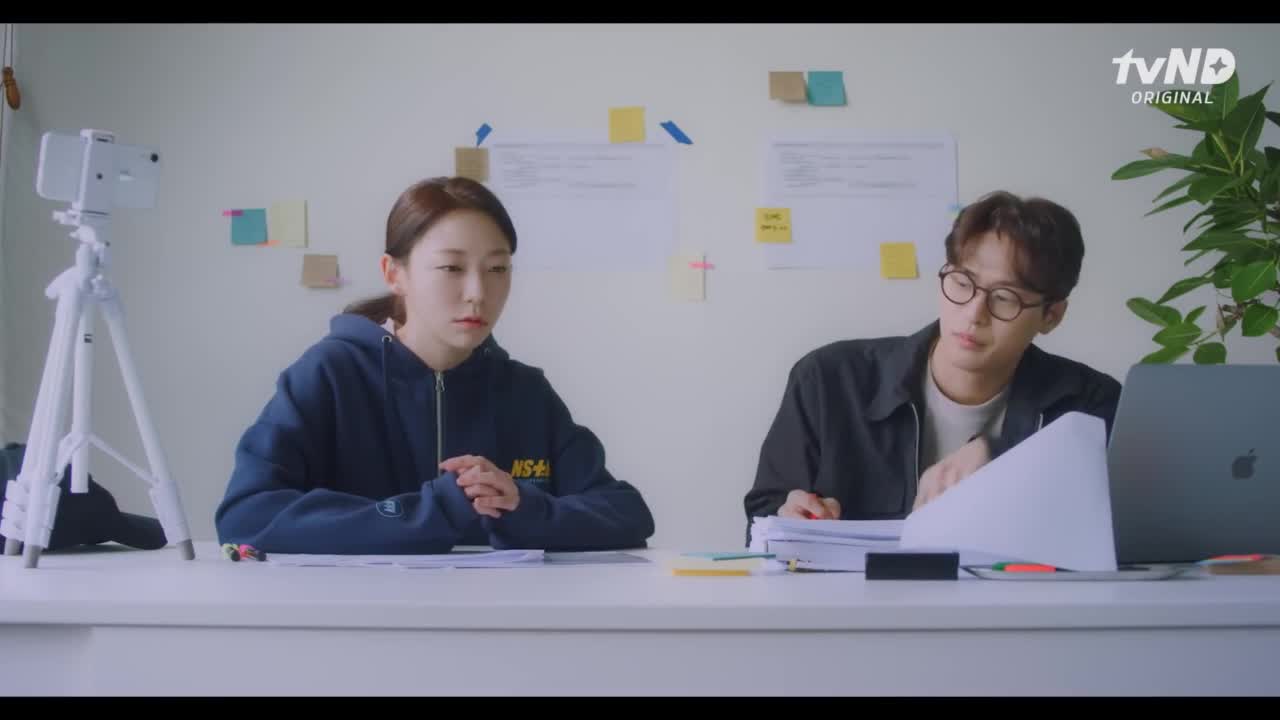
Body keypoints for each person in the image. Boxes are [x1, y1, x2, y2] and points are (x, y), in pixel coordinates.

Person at [215, 177, 655, 554]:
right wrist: (435, 510)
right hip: (361, 621)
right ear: (394, 273)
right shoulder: (329, 374)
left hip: (501, 621)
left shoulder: (524, 392)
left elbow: (627, 513)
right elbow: (246, 516)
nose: (477, 292)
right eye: (451, 268)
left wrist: (525, 508)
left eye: (497, 269)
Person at [743, 190, 1122, 532]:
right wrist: (786, 517)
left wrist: (1002, 456)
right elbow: (763, 519)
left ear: (1051, 316)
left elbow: (1114, 533)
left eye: (1005, 298)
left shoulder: (1089, 405)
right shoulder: (829, 381)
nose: (974, 313)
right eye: (962, 283)